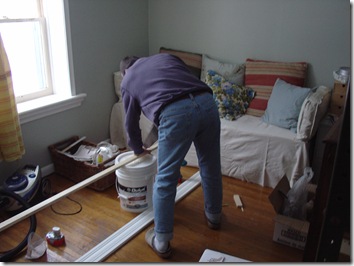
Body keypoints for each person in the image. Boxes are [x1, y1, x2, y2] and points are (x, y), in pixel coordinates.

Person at [119, 53, 222, 259]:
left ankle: (162, 241)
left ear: (124, 72)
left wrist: (137, 148)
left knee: (165, 179)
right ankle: (214, 216)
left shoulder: (128, 79)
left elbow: (131, 124)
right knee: (210, 165)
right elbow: (181, 81)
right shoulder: (165, 58)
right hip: (207, 103)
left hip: (176, 113)